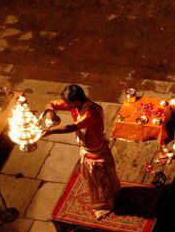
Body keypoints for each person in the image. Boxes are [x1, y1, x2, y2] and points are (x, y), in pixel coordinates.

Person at [42, 84, 121, 220]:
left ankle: (104, 205)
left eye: (68, 103)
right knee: (93, 178)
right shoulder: (76, 104)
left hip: (96, 151)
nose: (66, 105)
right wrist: (50, 112)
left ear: (77, 101)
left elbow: (72, 127)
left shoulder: (91, 112)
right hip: (86, 148)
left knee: (99, 181)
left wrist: (50, 131)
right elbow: (51, 103)